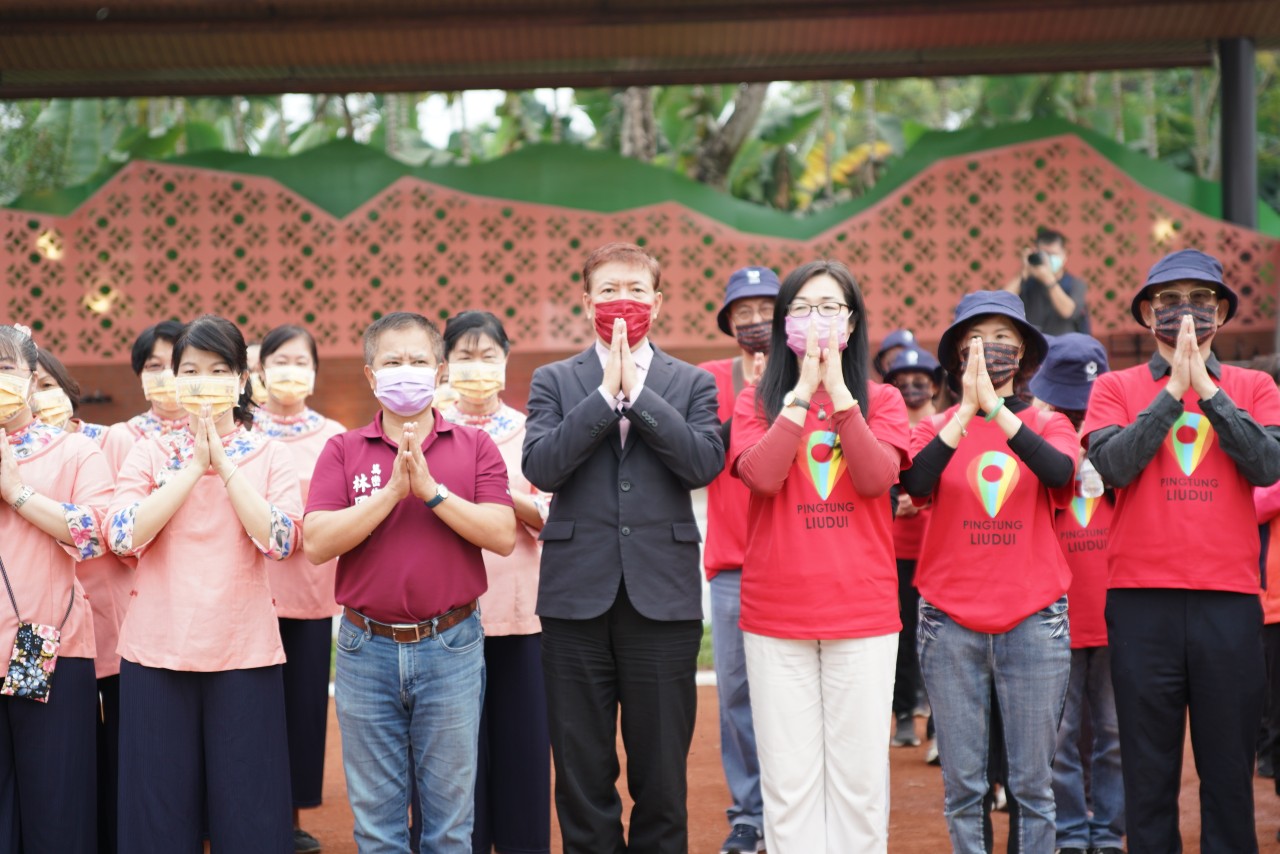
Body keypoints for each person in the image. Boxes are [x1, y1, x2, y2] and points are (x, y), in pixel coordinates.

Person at [522, 242, 724, 854]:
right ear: (586, 302)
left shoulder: (691, 383)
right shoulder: (553, 380)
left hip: (662, 602)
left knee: (662, 773)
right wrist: (604, 396)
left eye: (636, 290)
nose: (622, 301)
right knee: (582, 775)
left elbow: (702, 463)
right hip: (573, 601)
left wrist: (637, 394)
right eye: (608, 289)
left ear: (658, 303)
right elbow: (542, 464)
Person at [1083, 248, 1280, 854]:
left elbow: (1267, 464)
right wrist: (1172, 392)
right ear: (1146, 314)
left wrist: (1211, 395)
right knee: (1148, 772)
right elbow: (1112, 466)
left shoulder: (1255, 385)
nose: (1185, 313)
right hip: (1142, 604)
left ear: (1222, 311)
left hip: (1228, 602)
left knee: (1228, 772)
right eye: (1168, 302)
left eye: (1201, 300)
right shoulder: (1114, 388)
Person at [304, 311, 516, 854]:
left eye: (419, 361)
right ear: (372, 377)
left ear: (440, 371)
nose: (406, 372)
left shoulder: (475, 447)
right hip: (364, 648)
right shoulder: (343, 450)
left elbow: (501, 533)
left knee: (449, 825)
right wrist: (390, 494)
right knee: (378, 828)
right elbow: (318, 541)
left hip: (451, 645)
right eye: (392, 362)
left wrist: (432, 493)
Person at [730, 259, 910, 853]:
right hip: (777, 617)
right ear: (785, 325)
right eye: (802, 308)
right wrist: (801, 396)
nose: (817, 319)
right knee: (789, 787)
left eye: (830, 307)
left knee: (859, 787)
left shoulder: (882, 401)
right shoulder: (755, 403)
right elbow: (759, 476)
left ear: (852, 323)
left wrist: (840, 396)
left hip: (862, 615)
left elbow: (877, 477)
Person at [107, 314, 303, 853]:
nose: (205, 381)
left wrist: (225, 466)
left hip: (244, 653)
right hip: (156, 652)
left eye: (220, 370)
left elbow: (281, 540)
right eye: (191, 370)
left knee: (251, 812)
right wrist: (193, 468)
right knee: (158, 813)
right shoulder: (148, 452)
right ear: (174, 380)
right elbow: (122, 534)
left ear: (242, 379)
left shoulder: (272, 454)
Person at [900, 290, 1078, 854]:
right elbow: (916, 484)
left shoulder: (1049, 423)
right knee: (964, 788)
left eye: (1003, 339)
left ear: (1023, 355)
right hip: (949, 623)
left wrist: (996, 411)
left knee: (1033, 787)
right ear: (956, 356)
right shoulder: (934, 429)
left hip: (1034, 619)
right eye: (976, 339)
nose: (990, 350)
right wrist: (965, 414)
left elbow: (1058, 474)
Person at [438, 310, 552, 854]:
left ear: (506, 363)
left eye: (488, 356)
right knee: (451, 763)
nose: (476, 367)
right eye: (464, 356)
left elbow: (556, 515)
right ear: (445, 365)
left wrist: (494, 488)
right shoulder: (426, 431)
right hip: (443, 618)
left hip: (518, 613)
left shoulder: (533, 431)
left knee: (522, 753)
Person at [0, 324, 113, 854]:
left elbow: (97, 534)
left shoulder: (73, 452)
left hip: (49, 645)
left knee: (57, 809)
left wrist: (17, 492)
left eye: (4, 368)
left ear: (30, 377)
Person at [252, 324, 346, 854]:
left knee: (300, 712)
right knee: (249, 710)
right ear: (260, 371)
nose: (290, 371)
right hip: (249, 593)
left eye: (300, 361)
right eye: (279, 361)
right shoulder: (242, 430)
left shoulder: (334, 435)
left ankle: (287, 819)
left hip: (309, 595)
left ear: (314, 370)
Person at [1028, 333, 1124, 854]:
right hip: (1055, 615)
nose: (1077, 419)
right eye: (1066, 408)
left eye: (1083, 409)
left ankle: (1107, 831)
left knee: (1112, 733)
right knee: (1060, 737)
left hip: (1114, 616)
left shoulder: (1120, 446)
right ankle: (1069, 830)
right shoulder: (1042, 447)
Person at [31, 346, 129, 854]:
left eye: (49, 384)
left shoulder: (95, 445)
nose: (41, 395)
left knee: (102, 755)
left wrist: (24, 498)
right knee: (43, 761)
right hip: (27, 633)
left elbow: (104, 530)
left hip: (85, 621)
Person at [698, 265, 779, 854]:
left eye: (766, 310)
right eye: (743, 313)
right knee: (737, 695)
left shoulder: (813, 378)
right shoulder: (709, 379)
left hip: (796, 562)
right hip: (732, 566)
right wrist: (751, 397)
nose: (755, 323)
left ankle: (791, 804)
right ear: (728, 322)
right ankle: (749, 811)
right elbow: (707, 460)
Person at [882, 346, 944, 750]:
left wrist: (920, 499)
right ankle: (904, 713)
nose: (911, 389)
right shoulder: (887, 430)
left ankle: (940, 723)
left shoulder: (946, 427)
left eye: (919, 381)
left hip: (938, 551)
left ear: (936, 386)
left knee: (941, 640)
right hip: (894, 552)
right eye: (901, 384)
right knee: (902, 637)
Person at [103, 320, 190, 468]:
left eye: (178, 364)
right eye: (155, 365)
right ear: (140, 375)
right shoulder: (120, 437)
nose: (169, 374)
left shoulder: (218, 433)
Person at [1002, 228, 1091, 336]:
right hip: (1035, 346)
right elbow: (1003, 300)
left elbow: (1068, 311)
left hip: (1064, 347)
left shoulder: (1075, 284)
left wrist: (1048, 278)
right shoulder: (1028, 283)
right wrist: (1024, 272)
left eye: (1052, 254)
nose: (1048, 259)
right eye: (1044, 255)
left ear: (1064, 255)